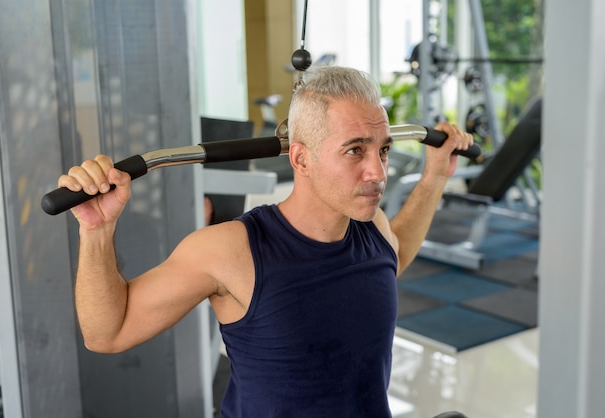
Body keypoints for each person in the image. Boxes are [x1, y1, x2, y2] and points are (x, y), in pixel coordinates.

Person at [58, 66, 473, 417]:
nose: (377, 173)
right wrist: (97, 230)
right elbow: (106, 335)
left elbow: (392, 258)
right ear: (300, 158)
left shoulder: (374, 228)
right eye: (354, 151)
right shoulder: (230, 251)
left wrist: (434, 176)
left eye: (382, 150)